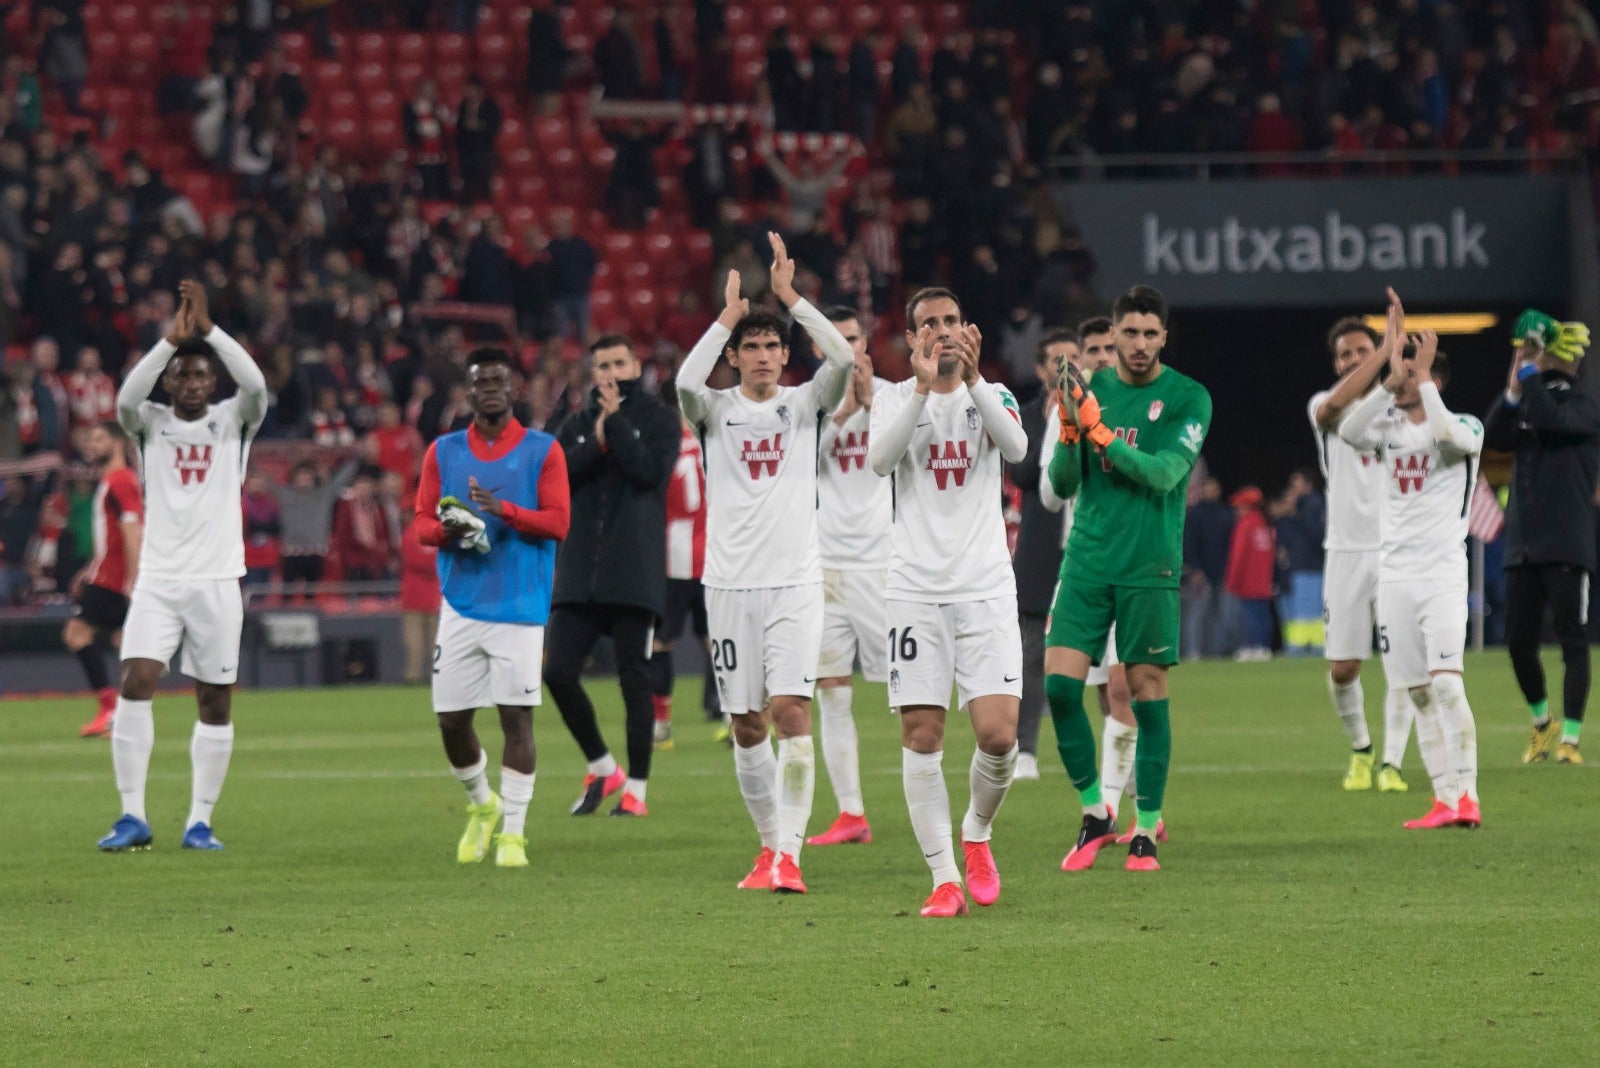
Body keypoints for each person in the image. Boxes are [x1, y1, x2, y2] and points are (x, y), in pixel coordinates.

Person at [675, 233, 854, 895]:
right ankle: (767, 846)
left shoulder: (805, 403)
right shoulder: (713, 411)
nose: (763, 357)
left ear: (785, 355)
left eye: (772, 346)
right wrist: (726, 314)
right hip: (726, 587)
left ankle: (791, 855)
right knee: (745, 723)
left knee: (789, 711)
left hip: (794, 585)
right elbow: (682, 382)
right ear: (735, 356)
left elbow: (839, 353)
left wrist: (789, 299)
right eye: (750, 347)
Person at [867, 286, 1026, 918]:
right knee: (922, 733)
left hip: (985, 586)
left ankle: (978, 834)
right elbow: (881, 461)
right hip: (914, 590)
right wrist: (925, 390)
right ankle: (943, 878)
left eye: (951, 321)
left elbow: (1016, 451)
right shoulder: (892, 399)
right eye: (928, 324)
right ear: (911, 339)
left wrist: (976, 380)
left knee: (998, 734)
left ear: (969, 328)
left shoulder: (996, 395)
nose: (941, 331)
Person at [98, 280, 268, 853]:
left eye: (200, 375)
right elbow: (125, 399)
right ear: (168, 380)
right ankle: (132, 816)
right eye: (181, 375)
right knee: (136, 680)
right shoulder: (148, 424)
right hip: (160, 579)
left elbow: (257, 384)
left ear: (211, 382)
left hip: (219, 580)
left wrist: (211, 331)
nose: (191, 384)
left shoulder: (234, 420)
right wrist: (169, 342)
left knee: (214, 700)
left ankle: (199, 821)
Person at [1049, 285, 1213, 874]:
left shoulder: (1189, 398)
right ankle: (1096, 811)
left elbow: (1166, 474)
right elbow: (1063, 484)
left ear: (1163, 337)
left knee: (1146, 697)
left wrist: (1098, 433)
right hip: (1088, 561)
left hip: (1150, 565)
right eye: (1130, 333)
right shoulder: (1093, 392)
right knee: (1060, 690)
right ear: (1111, 335)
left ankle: (1145, 828)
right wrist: (1071, 432)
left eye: (1150, 334)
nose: (1139, 344)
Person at [413, 348, 571, 869]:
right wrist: (450, 532)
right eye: (481, 382)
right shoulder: (443, 451)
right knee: (451, 722)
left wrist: (505, 511)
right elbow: (421, 526)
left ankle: (514, 836)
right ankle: (483, 806)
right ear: (469, 390)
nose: (490, 390)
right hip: (461, 604)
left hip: (521, 608)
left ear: (515, 388)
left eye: (499, 381)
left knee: (516, 721)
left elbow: (558, 523)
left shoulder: (543, 451)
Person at [1338, 324, 1484, 830]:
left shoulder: (1464, 424)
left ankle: (1469, 794)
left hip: (1442, 571)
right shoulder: (1388, 430)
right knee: (1418, 691)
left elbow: (1445, 435)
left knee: (1447, 684)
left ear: (1432, 380)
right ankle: (1444, 799)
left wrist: (1422, 378)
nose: (1399, 383)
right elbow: (1349, 430)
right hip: (1394, 574)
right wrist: (1388, 380)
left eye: (1408, 376)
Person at [545, 334, 679, 817]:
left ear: (636, 364)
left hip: (633, 569)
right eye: (602, 366)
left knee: (633, 681)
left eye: (619, 363)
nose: (611, 373)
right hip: (579, 570)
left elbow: (648, 474)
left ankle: (637, 790)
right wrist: (597, 438)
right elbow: (555, 479)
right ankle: (604, 767)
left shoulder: (660, 420)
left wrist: (615, 427)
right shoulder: (576, 424)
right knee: (556, 671)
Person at [1038, 319, 1144, 837]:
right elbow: (1051, 494)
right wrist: (1070, 427)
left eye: (1110, 347)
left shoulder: (1145, 406)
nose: (1103, 356)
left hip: (1133, 563)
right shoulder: (1065, 405)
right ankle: (1131, 796)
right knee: (1084, 691)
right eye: (1094, 349)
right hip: (1080, 565)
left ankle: (1115, 809)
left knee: (1123, 687)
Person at [1484, 309, 1599, 765]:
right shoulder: (1530, 399)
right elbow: (1493, 436)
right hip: (1523, 543)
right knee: (1517, 640)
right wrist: (1513, 389)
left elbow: (1553, 421)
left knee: (1573, 638)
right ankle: (1541, 722)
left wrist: (1529, 371)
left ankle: (1570, 738)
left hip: (1568, 540)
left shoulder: (1583, 405)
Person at [1309, 302, 1413, 791]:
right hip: (1346, 552)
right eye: (1345, 354)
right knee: (1344, 667)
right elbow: (1333, 410)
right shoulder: (1323, 405)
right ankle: (1361, 750)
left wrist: (1394, 360)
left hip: (1397, 550)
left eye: (1362, 350)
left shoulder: (1405, 407)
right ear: (1336, 364)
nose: (1352, 359)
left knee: (1403, 664)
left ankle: (1391, 762)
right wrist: (1387, 353)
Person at [807, 306, 890, 847]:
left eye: (854, 339)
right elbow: (792, 469)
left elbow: (902, 458)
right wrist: (840, 416)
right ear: (819, 349)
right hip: (824, 565)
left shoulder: (899, 395)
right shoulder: (808, 404)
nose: (847, 349)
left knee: (911, 689)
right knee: (830, 689)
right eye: (834, 341)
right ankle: (851, 813)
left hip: (886, 564)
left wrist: (872, 408)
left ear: (867, 342)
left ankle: (942, 804)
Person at [1009, 328, 1075, 782]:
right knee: (1032, 651)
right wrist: (1054, 425)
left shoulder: (1103, 411)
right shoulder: (1027, 415)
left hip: (1089, 544)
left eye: (1075, 358)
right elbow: (1024, 473)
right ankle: (1026, 751)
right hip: (1039, 545)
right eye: (1058, 360)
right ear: (1040, 370)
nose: (1068, 368)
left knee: (1103, 660)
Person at [649, 398, 723, 748]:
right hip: (712, 552)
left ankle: (661, 725)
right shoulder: (714, 445)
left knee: (662, 640)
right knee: (715, 638)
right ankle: (726, 714)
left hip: (676, 556)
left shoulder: (665, 449)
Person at [64, 421, 142, 738]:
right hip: (106, 571)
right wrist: (88, 568)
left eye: (99, 437)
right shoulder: (113, 480)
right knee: (124, 641)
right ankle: (127, 714)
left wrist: (133, 582)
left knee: (77, 633)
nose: (92, 445)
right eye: (90, 440)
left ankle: (112, 709)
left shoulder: (121, 480)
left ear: (119, 442)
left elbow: (132, 532)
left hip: (113, 578)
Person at [1225, 486, 1276, 661]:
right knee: (1262, 616)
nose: (1237, 510)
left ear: (1247, 506)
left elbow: (1238, 556)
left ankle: (1252, 647)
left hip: (1247, 581)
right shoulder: (1265, 523)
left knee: (1250, 617)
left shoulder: (1245, 525)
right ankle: (1263, 648)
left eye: (1239, 506)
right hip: (1264, 580)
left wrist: (1232, 581)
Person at [398, 507, 440, 685]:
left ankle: (413, 675)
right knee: (435, 638)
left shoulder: (410, 534)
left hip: (415, 593)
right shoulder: (438, 532)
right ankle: (437, 674)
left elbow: (412, 559)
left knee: (414, 637)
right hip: (434, 592)